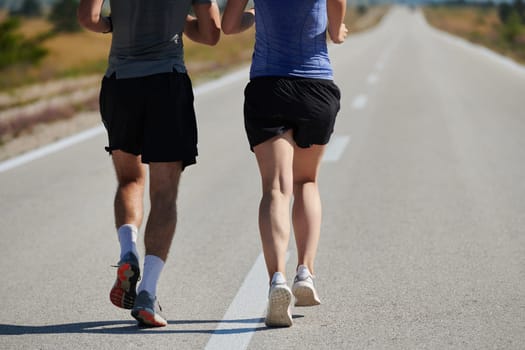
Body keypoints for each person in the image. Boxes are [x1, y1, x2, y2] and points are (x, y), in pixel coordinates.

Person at [77, 0, 220, 327]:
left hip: (120, 84)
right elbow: (211, 34)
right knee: (164, 194)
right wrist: (176, 19)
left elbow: (88, 17)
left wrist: (112, 26)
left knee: (129, 180)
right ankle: (148, 293)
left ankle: (128, 251)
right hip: (167, 84)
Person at [222, 0, 347, 327]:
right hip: (316, 87)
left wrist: (255, 16)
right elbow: (336, 22)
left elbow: (229, 25)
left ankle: (277, 279)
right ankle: (304, 272)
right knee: (305, 181)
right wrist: (337, 29)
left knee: (276, 189)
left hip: (267, 88)